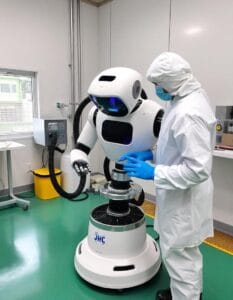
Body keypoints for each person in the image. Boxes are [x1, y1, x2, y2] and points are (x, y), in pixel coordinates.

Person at [119, 52, 216, 300]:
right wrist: (150, 154)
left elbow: (197, 169)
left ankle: (187, 296)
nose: (156, 90)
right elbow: (174, 146)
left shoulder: (188, 112)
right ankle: (181, 292)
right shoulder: (181, 99)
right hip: (178, 194)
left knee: (181, 255)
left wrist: (154, 172)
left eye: (158, 85)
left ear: (171, 82)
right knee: (180, 254)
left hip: (185, 200)